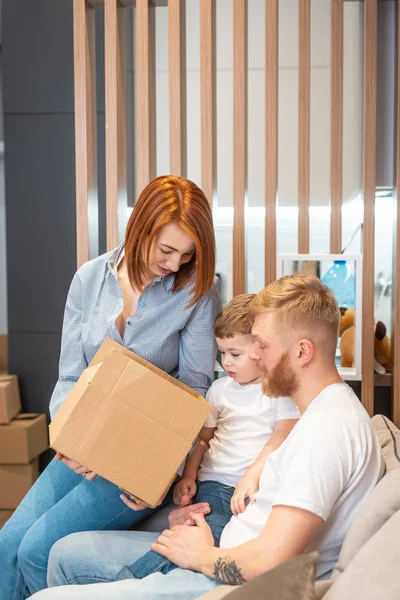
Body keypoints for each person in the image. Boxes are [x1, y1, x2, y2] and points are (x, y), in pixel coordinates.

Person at [31, 275, 384, 600]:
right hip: (220, 546)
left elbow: (270, 561)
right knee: (65, 553)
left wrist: (202, 555)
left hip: (230, 580)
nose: (254, 357)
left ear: (303, 352)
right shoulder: (316, 414)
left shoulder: (326, 431)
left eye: (261, 345)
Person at [0, 175, 221, 600]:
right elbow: (69, 376)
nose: (175, 264)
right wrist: (68, 435)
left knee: (36, 550)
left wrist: (159, 474)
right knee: (8, 543)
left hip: (140, 461)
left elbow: (196, 390)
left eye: (187, 254)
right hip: (85, 445)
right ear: (140, 227)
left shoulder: (199, 289)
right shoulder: (89, 279)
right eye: (167, 249)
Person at [114, 293, 299, 581]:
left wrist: (251, 476)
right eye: (222, 353)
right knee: (193, 534)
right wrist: (189, 477)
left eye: (235, 354)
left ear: (261, 347)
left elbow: (282, 434)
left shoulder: (277, 391)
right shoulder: (219, 390)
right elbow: (203, 440)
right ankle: (128, 582)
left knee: (202, 535)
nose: (227, 362)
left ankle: (127, 582)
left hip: (243, 490)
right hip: (212, 485)